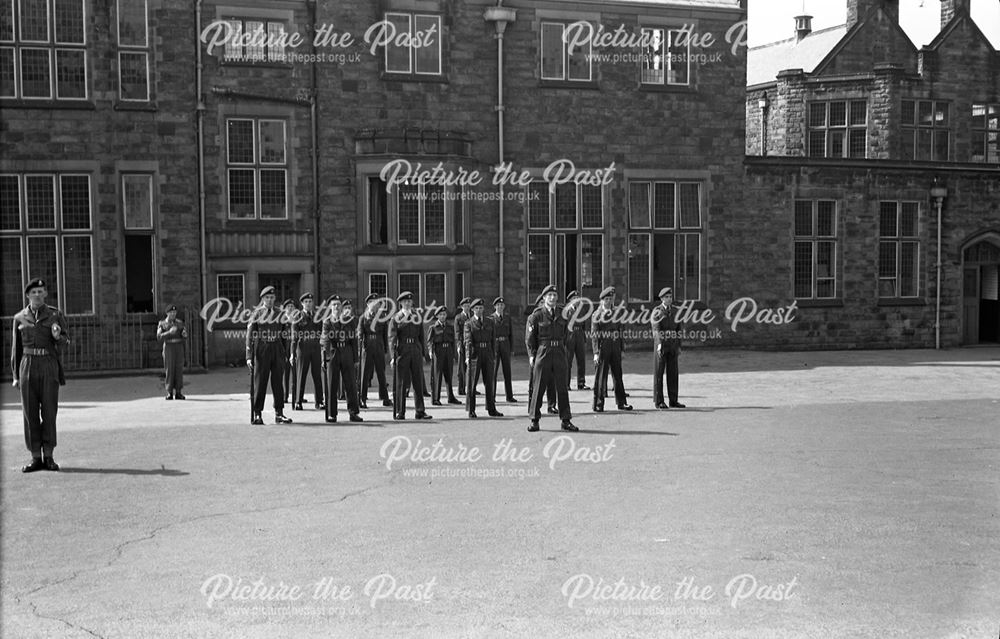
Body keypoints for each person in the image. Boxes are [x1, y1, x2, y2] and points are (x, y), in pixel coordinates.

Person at [12, 278, 69, 472]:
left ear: (45, 294)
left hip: (48, 364)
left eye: (40, 291)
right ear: (27, 295)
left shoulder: (55, 315)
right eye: (33, 292)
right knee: (29, 413)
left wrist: (57, 336)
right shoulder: (19, 317)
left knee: (49, 411)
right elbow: (16, 348)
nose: (37, 295)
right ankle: (36, 456)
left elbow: (65, 342)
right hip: (27, 365)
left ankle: (49, 455)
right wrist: (15, 376)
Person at [525, 285, 576, 432]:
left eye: (554, 295)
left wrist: (562, 347)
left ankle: (566, 420)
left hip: (559, 351)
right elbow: (530, 338)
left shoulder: (563, 314)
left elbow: (567, 334)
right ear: (544, 298)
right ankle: (534, 420)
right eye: (549, 295)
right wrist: (532, 355)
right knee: (539, 387)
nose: (552, 298)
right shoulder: (536, 315)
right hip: (543, 351)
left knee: (562, 388)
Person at [246, 286, 293, 425]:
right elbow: (250, 335)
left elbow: (285, 335)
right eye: (267, 298)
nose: (270, 300)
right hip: (262, 348)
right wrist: (249, 356)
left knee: (278, 382)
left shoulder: (280, 313)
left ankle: (279, 413)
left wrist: (286, 353)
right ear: (263, 299)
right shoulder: (256, 313)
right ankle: (257, 413)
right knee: (260, 382)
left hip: (277, 348)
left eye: (272, 297)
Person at [388, 291, 431, 420]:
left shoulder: (417, 316)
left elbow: (421, 335)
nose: (407, 303)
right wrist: (392, 356)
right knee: (401, 382)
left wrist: (424, 353)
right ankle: (400, 411)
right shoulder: (396, 318)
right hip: (402, 350)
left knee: (418, 381)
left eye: (409, 301)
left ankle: (420, 411)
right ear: (400, 303)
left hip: (415, 350)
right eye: (405, 301)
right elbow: (392, 338)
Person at [321, 296, 362, 423]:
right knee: (332, 385)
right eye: (334, 305)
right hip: (333, 353)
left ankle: (353, 412)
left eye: (338, 304)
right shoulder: (327, 322)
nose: (337, 307)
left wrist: (355, 358)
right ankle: (332, 413)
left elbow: (354, 340)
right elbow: (325, 340)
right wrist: (326, 358)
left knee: (350, 384)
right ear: (330, 307)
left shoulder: (349, 321)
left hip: (347, 352)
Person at [592, 286, 633, 412]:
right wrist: (596, 353)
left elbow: (621, 331)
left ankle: (621, 402)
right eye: (606, 299)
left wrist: (622, 349)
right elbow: (594, 335)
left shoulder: (617, 313)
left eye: (610, 298)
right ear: (602, 301)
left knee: (618, 375)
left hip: (615, 345)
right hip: (603, 346)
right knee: (601, 376)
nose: (608, 301)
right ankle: (598, 403)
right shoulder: (597, 315)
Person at [464, 299, 503, 418]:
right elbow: (468, 341)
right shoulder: (468, 323)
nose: (479, 310)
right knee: (472, 383)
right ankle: (471, 410)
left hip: (487, 353)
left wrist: (493, 354)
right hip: (475, 354)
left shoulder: (490, 322)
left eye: (481, 308)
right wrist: (467, 356)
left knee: (489, 382)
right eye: (476, 308)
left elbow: (493, 338)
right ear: (472, 310)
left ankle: (491, 408)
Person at [652, 286, 686, 409]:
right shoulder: (657, 311)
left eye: (670, 297)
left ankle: (673, 399)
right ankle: (659, 401)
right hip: (661, 345)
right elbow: (656, 329)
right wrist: (660, 344)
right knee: (659, 373)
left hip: (672, 344)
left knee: (673, 373)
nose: (669, 299)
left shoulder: (676, 311)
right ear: (661, 298)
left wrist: (679, 345)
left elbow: (679, 329)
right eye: (666, 297)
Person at [291, 292, 324, 411]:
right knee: (301, 375)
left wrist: (323, 349)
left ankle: (319, 401)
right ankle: (298, 401)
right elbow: (294, 337)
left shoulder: (317, 316)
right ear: (302, 303)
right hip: (303, 347)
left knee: (317, 376)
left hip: (315, 348)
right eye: (306, 302)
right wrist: (292, 353)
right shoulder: (298, 316)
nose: (308, 304)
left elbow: (322, 333)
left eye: (310, 302)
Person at [525, 292, 557, 415]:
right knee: (535, 383)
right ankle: (531, 407)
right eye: (542, 303)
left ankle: (551, 405)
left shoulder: (552, 316)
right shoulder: (534, 317)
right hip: (538, 354)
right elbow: (529, 339)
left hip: (550, 353)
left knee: (551, 381)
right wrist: (531, 355)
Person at [359, 293, 392, 408]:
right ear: (368, 304)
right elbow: (360, 333)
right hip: (367, 347)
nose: (375, 304)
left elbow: (384, 334)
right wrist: (362, 347)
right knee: (365, 374)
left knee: (381, 373)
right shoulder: (363, 317)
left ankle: (385, 397)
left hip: (378, 346)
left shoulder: (382, 317)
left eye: (376, 302)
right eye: (372, 302)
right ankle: (362, 398)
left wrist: (385, 349)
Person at [428, 306, 461, 406]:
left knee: (449, 375)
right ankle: (435, 398)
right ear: (437, 316)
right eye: (440, 315)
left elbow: (453, 341)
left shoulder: (450, 327)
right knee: (437, 375)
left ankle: (450, 397)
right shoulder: (433, 328)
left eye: (444, 314)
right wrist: (430, 351)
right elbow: (429, 341)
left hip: (448, 351)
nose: (442, 316)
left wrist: (454, 354)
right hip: (438, 352)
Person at [157, 304, 187, 400]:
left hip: (178, 347)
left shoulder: (180, 323)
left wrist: (184, 334)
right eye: (171, 313)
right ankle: (169, 392)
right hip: (169, 347)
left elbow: (184, 334)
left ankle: (178, 392)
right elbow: (159, 337)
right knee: (169, 369)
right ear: (167, 313)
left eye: (175, 312)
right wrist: (169, 332)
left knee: (178, 369)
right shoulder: (162, 323)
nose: (173, 314)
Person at [490, 297, 517, 403]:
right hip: (495, 345)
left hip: (505, 344)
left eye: (502, 305)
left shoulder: (507, 318)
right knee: (493, 372)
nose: (500, 307)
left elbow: (511, 334)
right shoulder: (491, 318)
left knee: (507, 371)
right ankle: (492, 396)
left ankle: (509, 396)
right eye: (498, 305)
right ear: (495, 307)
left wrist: (512, 348)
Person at [564, 291, 590, 391]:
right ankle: (566, 383)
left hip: (579, 334)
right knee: (568, 361)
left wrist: (584, 337)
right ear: (570, 300)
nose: (576, 300)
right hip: (570, 335)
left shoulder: (582, 309)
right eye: (574, 298)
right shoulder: (566, 311)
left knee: (581, 360)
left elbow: (584, 324)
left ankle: (581, 383)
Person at [280, 298, 297, 403]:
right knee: (285, 374)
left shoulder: (297, 319)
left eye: (292, 306)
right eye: (288, 307)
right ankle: (285, 396)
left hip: (295, 348)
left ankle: (296, 395)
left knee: (296, 374)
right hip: (285, 348)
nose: (290, 308)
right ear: (285, 309)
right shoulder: (282, 320)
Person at [454, 297, 471, 395]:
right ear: (462, 307)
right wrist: (459, 345)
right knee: (461, 368)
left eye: (468, 306)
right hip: (463, 344)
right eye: (465, 306)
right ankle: (461, 389)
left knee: (472, 367)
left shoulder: (472, 316)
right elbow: (457, 333)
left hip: (471, 344)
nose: (467, 308)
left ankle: (471, 387)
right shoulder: (458, 317)